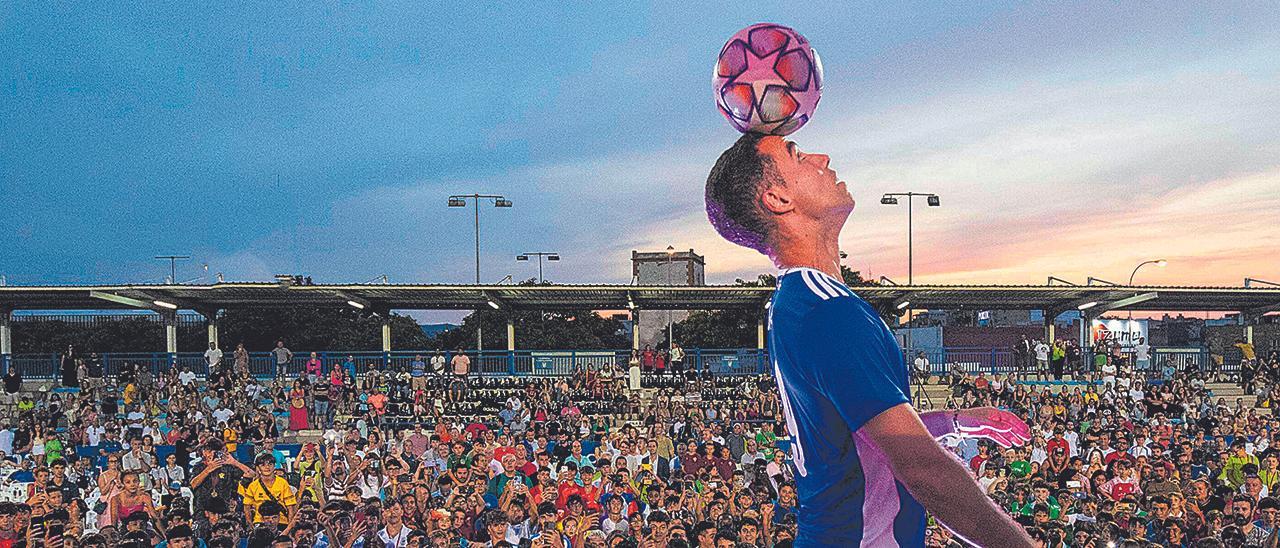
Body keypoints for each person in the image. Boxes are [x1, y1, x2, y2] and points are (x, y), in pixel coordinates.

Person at [703, 133, 1033, 546]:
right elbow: (922, 470)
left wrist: (955, 423)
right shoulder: (828, 313)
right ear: (777, 199)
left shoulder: (800, 302)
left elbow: (857, 440)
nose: (822, 158)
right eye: (799, 156)